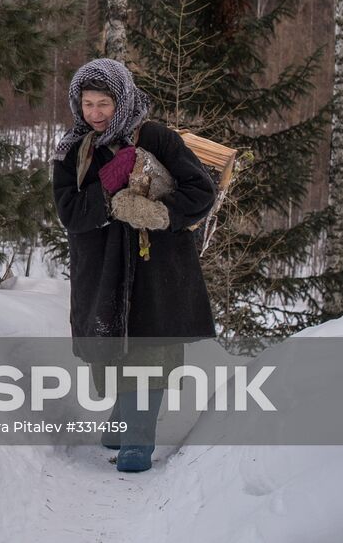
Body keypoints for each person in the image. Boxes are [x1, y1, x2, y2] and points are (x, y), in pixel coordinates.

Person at [51, 57, 217, 473]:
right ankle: (122, 421)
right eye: (88, 104)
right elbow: (70, 214)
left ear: (121, 100)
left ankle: (137, 443)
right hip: (101, 266)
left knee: (150, 349)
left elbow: (201, 191)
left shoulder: (157, 138)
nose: (95, 114)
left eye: (104, 103)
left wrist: (160, 215)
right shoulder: (72, 150)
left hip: (154, 265)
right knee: (110, 350)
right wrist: (107, 185)